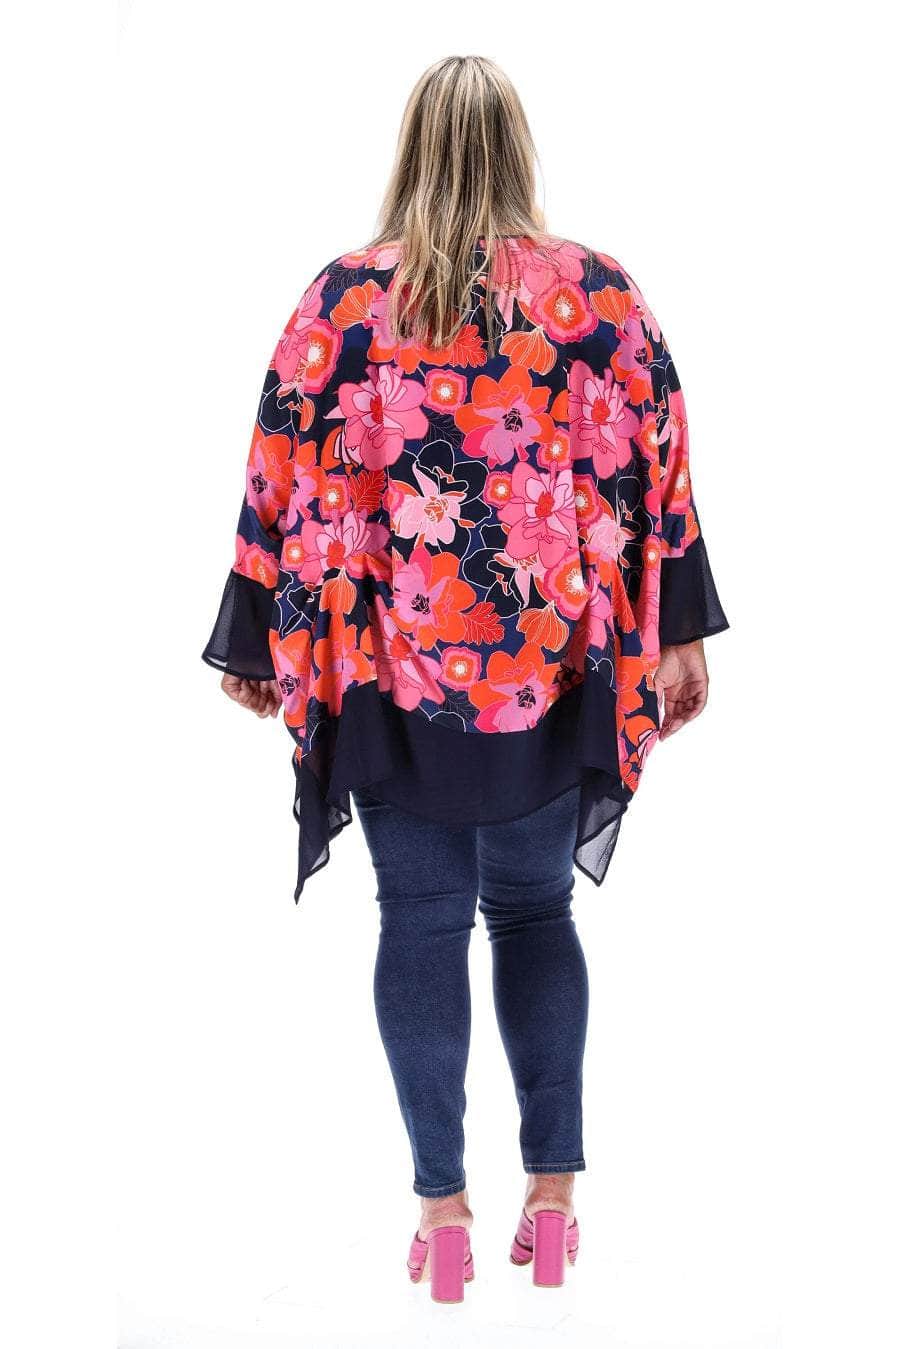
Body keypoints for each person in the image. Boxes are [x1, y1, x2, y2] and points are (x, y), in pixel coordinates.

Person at [202, 54, 728, 1303]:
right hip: (555, 668)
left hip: (391, 668)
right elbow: (661, 460)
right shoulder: (598, 295)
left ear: (414, 148)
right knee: (536, 914)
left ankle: (441, 1209)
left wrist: (253, 630)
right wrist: (678, 631)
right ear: (516, 149)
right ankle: (553, 1197)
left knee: (421, 916)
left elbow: (277, 463)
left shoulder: (342, 299)